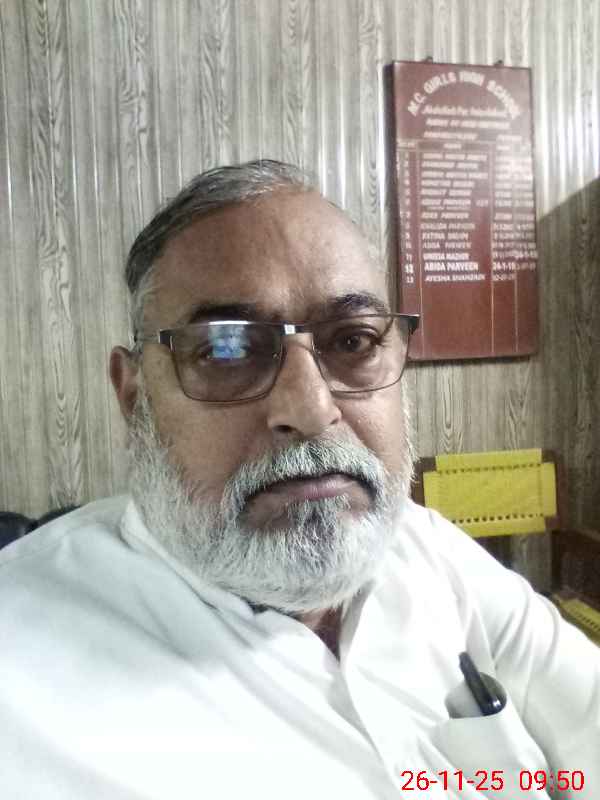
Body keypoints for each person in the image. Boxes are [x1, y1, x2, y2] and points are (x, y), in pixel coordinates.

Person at [0, 160, 598, 799]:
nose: (311, 410)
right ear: (133, 394)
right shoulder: (22, 687)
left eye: (353, 341)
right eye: (225, 349)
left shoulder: (425, 549)